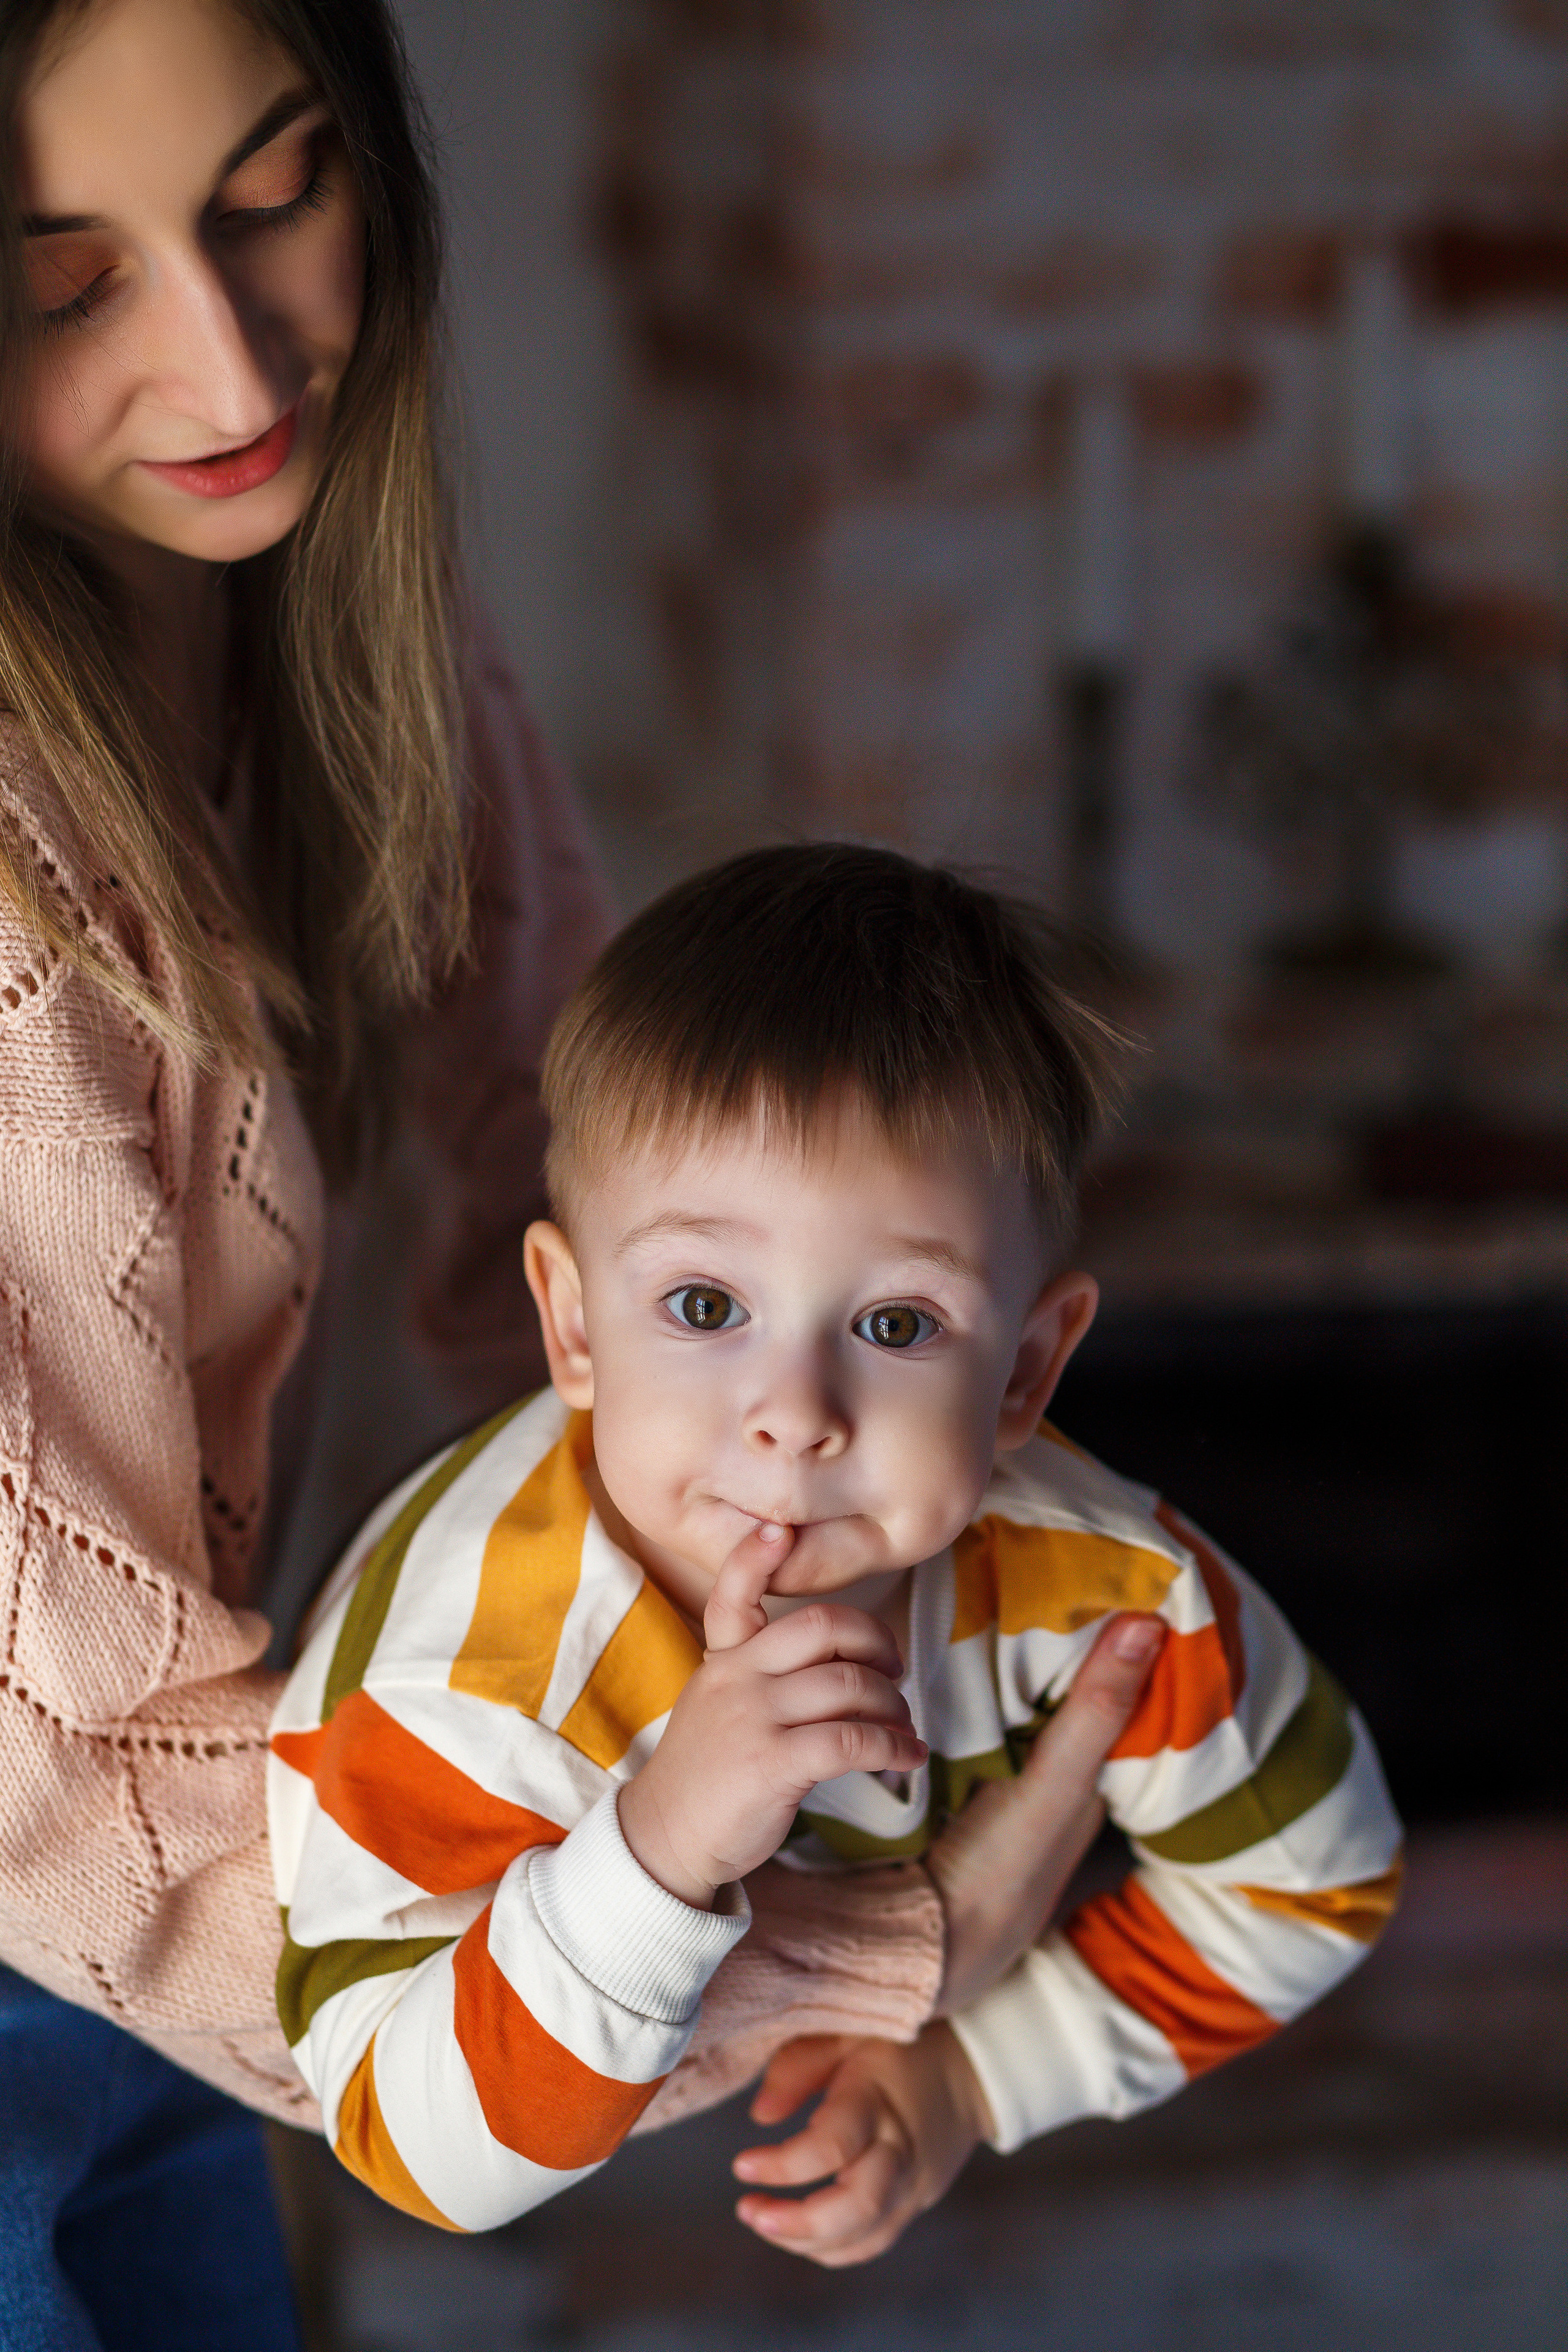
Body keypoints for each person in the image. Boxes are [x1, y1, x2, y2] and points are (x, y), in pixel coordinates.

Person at [0, 4, 1155, 2343]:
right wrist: (891, 1934)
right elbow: (89, 1804)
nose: (229, 366)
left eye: (274, 193)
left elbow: (604, 1220)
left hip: (164, 1976)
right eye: (60, 283)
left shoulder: (346, 614)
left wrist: (927, 1510)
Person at [271, 843, 1404, 2267]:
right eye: (702, 1302)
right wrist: (662, 1842)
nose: (794, 1417)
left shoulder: (1114, 1599)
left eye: (894, 1324)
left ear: (1022, 1373)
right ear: (569, 1326)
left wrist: (974, 2076)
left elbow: (1314, 1880)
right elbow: (402, 2137)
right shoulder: (463, 1682)